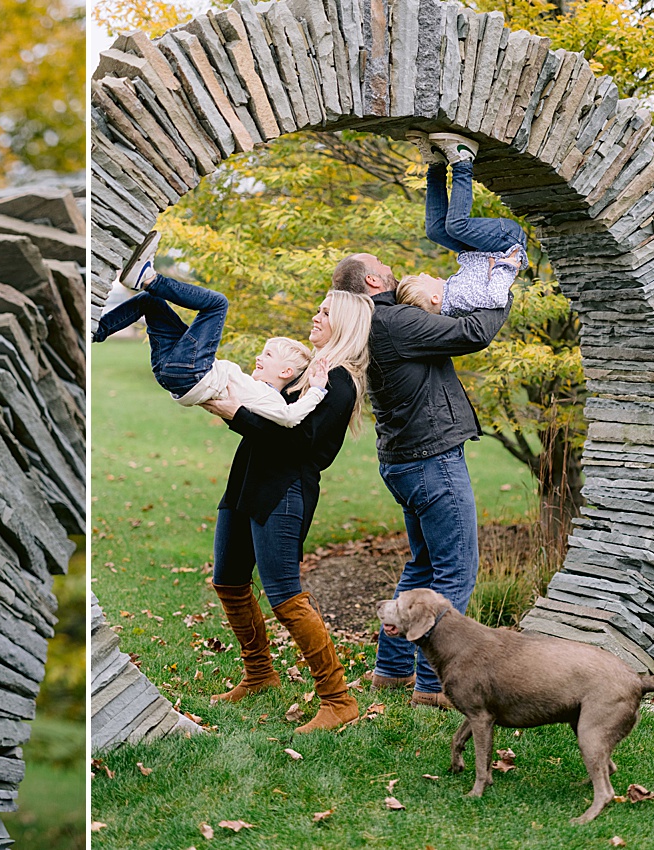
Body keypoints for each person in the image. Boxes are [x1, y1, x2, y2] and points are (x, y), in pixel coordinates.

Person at [330, 133, 516, 709]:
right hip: (432, 462)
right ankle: (435, 686)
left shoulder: (375, 324)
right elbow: (473, 333)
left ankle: (390, 672)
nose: (391, 266)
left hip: (405, 462)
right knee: (454, 573)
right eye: (383, 266)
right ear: (374, 283)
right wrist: (503, 286)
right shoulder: (395, 324)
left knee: (421, 568)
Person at [200, 288, 374, 733]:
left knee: (285, 595)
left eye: (325, 312)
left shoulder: (340, 380)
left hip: (284, 490)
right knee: (229, 580)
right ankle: (259, 674)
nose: (315, 317)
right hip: (247, 480)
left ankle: (338, 700)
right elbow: (273, 415)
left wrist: (234, 413)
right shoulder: (313, 370)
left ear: (346, 325)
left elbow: (302, 444)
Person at [94, 231, 331, 428]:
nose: (259, 357)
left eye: (268, 355)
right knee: (151, 302)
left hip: (192, 374)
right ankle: (97, 329)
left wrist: (317, 391)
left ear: (286, 371)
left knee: (217, 304)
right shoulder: (255, 389)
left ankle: (149, 278)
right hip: (174, 373)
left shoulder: (269, 399)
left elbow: (291, 418)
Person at [400, 130, 528, 317]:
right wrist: (506, 266)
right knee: (456, 226)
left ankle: (437, 163)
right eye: (425, 280)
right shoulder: (460, 298)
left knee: (435, 231)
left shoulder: (452, 297)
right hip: (506, 243)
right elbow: (497, 298)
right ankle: (463, 160)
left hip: (481, 250)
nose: (426, 275)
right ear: (434, 298)